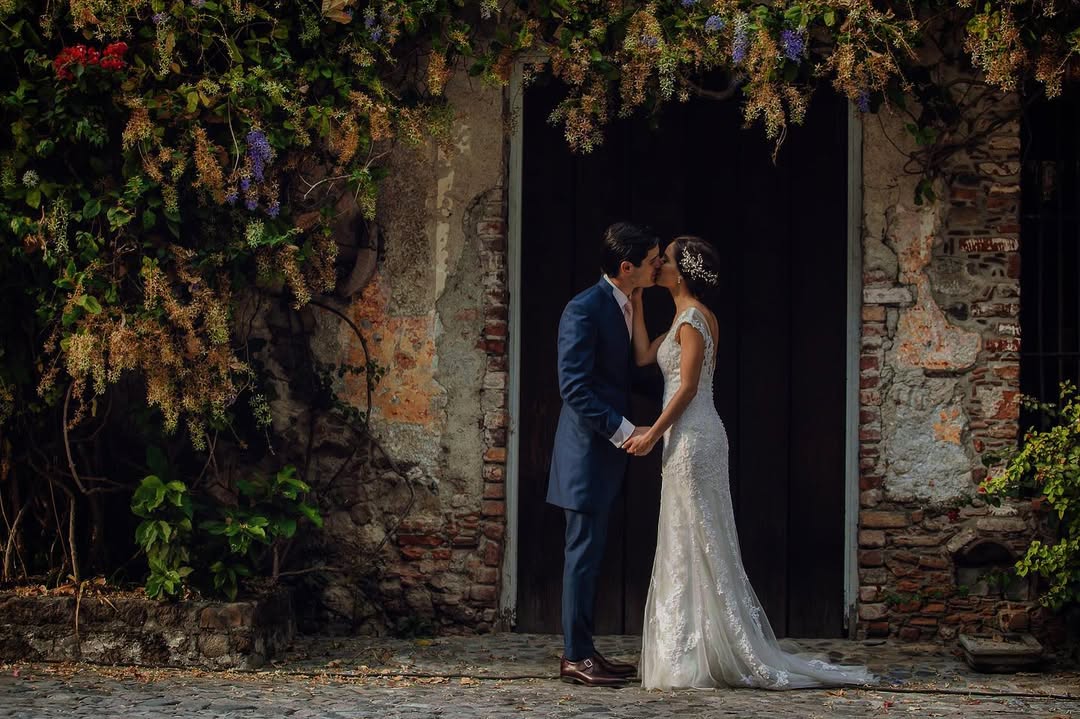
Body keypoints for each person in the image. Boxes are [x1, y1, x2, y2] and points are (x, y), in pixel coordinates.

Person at [624, 236, 875, 690]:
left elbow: (688, 389)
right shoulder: (680, 318)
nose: (657, 262)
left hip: (696, 439)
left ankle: (710, 651)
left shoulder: (695, 318)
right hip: (681, 439)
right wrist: (637, 299)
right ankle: (686, 652)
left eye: (665, 259)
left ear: (680, 272)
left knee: (702, 535)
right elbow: (644, 355)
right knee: (682, 538)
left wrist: (650, 433)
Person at [547, 222, 662, 687]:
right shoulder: (584, 309)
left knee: (591, 555)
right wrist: (625, 429)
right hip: (585, 456)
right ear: (627, 267)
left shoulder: (624, 306)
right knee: (582, 555)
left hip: (603, 457)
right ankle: (576, 657)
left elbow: (623, 376)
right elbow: (574, 386)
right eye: (653, 261)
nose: (659, 267)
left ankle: (586, 651)